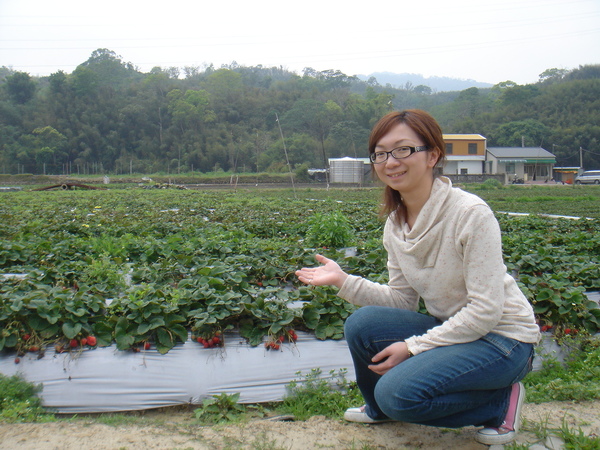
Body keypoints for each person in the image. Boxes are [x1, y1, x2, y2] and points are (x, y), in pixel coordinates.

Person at [295, 109, 540, 446]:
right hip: (458, 329)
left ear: (433, 155)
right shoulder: (396, 225)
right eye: (380, 153)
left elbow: (485, 312)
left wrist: (412, 347)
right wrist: (343, 281)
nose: (390, 161)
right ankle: (378, 407)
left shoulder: (470, 214)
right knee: (362, 324)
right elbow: (402, 300)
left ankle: (500, 403)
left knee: (398, 395)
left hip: (504, 341)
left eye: (403, 150)